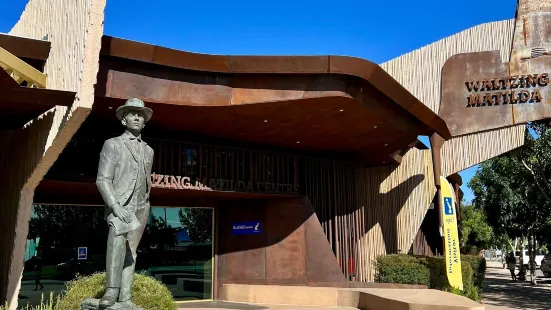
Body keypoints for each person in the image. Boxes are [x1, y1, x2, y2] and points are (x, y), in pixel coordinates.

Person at [96, 98, 154, 307]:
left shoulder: (149, 150)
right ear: (123, 119)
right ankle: (111, 291)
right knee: (116, 245)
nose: (137, 117)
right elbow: (103, 179)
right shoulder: (113, 144)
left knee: (131, 251)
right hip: (120, 204)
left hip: (141, 205)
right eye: (132, 113)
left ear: (145, 122)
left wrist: (145, 203)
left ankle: (126, 296)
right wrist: (115, 206)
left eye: (140, 115)